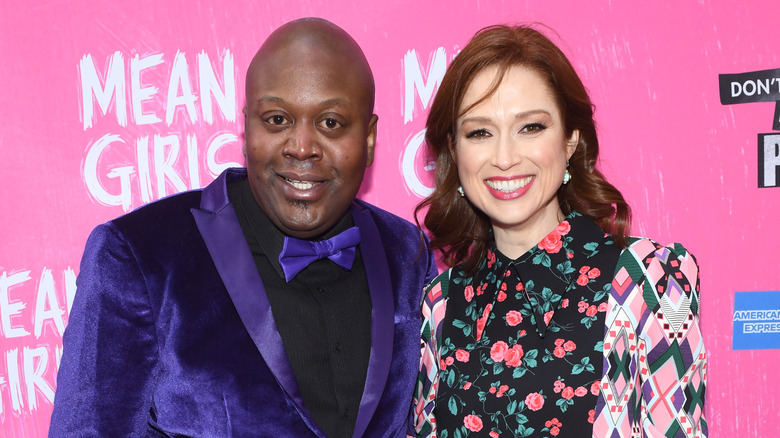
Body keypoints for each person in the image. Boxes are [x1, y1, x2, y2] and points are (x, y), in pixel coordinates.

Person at [49, 18, 437, 438]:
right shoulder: (139, 254)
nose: (302, 146)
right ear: (247, 125)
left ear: (370, 138)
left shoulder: (407, 255)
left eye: (330, 123)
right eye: (276, 119)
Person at [412, 25, 707, 437]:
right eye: (480, 132)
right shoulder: (439, 306)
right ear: (454, 152)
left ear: (571, 139)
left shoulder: (649, 282)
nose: (504, 157)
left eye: (530, 127)